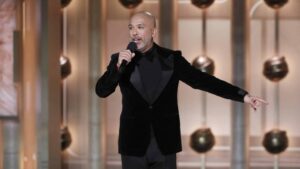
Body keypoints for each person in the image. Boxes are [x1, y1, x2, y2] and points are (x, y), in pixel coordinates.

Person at [95, 11, 267, 169]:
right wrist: (117, 68)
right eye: (131, 28)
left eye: (140, 27)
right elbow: (101, 91)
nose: (134, 32)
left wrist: (243, 96)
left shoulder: (172, 59)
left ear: (153, 32)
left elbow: (203, 81)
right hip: (132, 145)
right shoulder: (119, 60)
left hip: (165, 145)